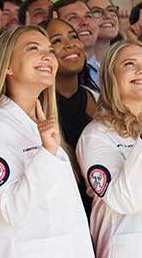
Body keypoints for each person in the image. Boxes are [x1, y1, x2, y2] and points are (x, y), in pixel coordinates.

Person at [0, 26, 94, 257]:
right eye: (33, 49)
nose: (48, 56)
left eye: (49, 50)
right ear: (6, 66)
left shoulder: (42, 121)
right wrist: (46, 154)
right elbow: (10, 210)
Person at [76, 39, 142, 258]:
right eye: (129, 64)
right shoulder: (96, 135)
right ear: (111, 77)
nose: (140, 69)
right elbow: (125, 199)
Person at [44, 18, 99, 216]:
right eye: (57, 41)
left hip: (100, 212)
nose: (70, 44)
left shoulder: (99, 100)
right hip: (62, 214)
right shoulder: (36, 109)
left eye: (74, 37)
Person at [51, 0, 100, 88]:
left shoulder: (112, 72)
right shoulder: (47, 79)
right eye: (73, 18)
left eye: (88, 16)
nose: (84, 22)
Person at [84, 0, 121, 65]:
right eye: (96, 12)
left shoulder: (122, 62)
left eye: (111, 10)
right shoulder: (78, 67)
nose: (108, 15)